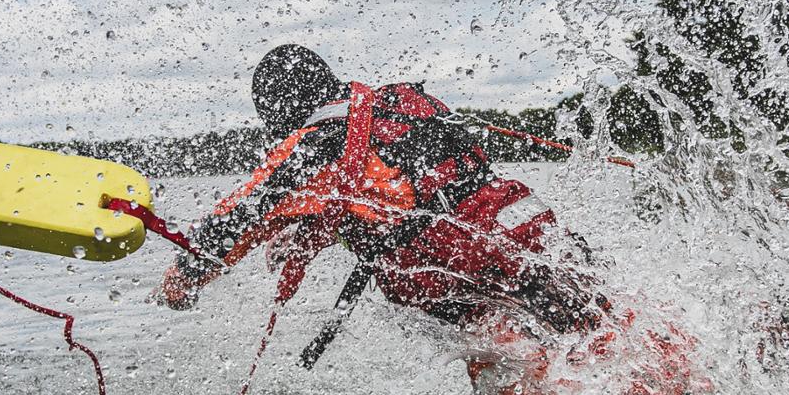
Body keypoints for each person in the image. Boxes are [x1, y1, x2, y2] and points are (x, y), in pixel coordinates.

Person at [156, 44, 611, 344]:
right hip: (527, 222)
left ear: (278, 113)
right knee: (603, 323)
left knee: (506, 350)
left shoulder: (312, 144)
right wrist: (312, 236)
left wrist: (182, 280)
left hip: (456, 264)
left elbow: (233, 222)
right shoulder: (398, 103)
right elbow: (401, 191)